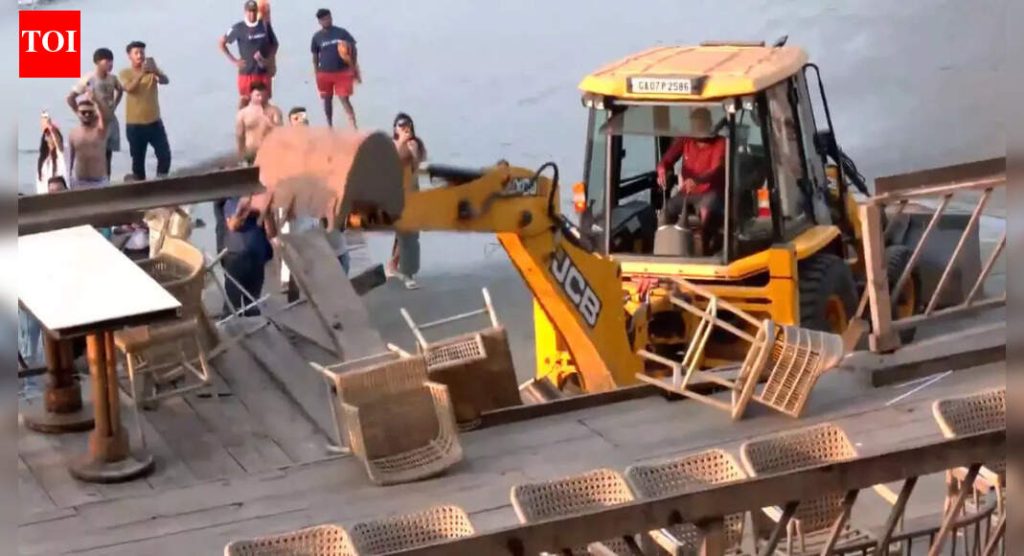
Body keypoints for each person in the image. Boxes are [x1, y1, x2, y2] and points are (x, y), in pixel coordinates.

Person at [655, 107, 727, 254]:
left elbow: (716, 170)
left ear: (708, 124)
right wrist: (662, 168)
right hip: (686, 193)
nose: (696, 129)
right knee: (667, 209)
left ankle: (704, 247)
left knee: (708, 206)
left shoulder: (721, 143)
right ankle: (666, 248)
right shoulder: (685, 140)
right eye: (693, 125)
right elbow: (668, 158)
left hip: (711, 192)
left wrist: (698, 180)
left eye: (699, 125)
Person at [119, 40, 171, 181]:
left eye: (142, 52)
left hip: (154, 122)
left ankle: (160, 184)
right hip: (135, 125)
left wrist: (155, 72)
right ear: (129, 56)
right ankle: (141, 193)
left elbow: (166, 81)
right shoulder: (125, 73)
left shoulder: (152, 70)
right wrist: (142, 73)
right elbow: (129, 88)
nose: (140, 55)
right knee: (138, 163)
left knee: (165, 155)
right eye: (136, 53)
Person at [67, 48, 123, 177]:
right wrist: (79, 114)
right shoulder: (89, 79)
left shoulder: (112, 78)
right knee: (96, 153)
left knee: (108, 155)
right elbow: (70, 98)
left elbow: (120, 90)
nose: (110, 64)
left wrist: (114, 105)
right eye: (107, 61)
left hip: (109, 119)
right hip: (95, 121)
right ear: (98, 62)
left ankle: (106, 183)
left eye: (112, 61)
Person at [388, 112, 425, 289]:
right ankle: (405, 272)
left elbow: (416, 165)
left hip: (412, 194)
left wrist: (412, 149)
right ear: (395, 129)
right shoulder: (391, 145)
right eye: (401, 126)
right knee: (405, 235)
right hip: (395, 195)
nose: (405, 129)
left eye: (408, 126)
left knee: (408, 235)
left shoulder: (414, 144)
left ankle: (397, 267)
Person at [222, 195, 276, 316]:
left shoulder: (262, 203)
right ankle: (229, 327)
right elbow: (232, 226)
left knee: (252, 302)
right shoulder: (233, 201)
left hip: (257, 256)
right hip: (236, 256)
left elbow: (272, 233)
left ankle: (253, 327)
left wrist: (266, 214)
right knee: (232, 301)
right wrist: (242, 210)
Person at [220, 0, 279, 110]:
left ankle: (265, 126)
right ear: (245, 12)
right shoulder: (238, 28)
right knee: (245, 101)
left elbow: (274, 44)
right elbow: (222, 43)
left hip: (262, 72)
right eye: (249, 11)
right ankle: (241, 125)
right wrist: (234, 61)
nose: (251, 14)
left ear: (257, 12)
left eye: (253, 11)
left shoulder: (264, 26)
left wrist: (269, 61)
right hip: (246, 73)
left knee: (264, 103)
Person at [310, 8, 359, 128]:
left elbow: (353, 47)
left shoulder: (341, 33)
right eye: (324, 19)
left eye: (328, 18)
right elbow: (315, 55)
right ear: (320, 21)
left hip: (342, 71)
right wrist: (316, 71)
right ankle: (329, 125)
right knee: (327, 99)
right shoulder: (317, 37)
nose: (327, 20)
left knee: (343, 97)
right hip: (325, 72)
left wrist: (353, 64)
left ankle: (353, 124)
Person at [67, 93, 109, 189]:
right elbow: (69, 160)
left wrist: (96, 100)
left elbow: (104, 115)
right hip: (79, 182)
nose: (87, 114)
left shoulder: (100, 130)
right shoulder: (73, 134)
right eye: (84, 112)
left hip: (99, 182)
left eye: (90, 112)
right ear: (78, 113)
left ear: (94, 113)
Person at [234, 82, 282, 165]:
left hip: (269, 151)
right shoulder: (243, 113)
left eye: (264, 96)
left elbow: (281, 132)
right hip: (251, 152)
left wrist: (269, 121)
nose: (261, 99)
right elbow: (239, 136)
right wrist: (241, 154)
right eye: (258, 95)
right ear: (251, 95)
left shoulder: (274, 111)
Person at [36, 114, 67, 195]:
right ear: (45, 138)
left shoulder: (62, 153)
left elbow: (59, 145)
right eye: (48, 134)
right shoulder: (43, 161)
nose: (51, 136)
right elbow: (40, 185)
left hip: (62, 194)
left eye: (53, 133)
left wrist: (50, 126)